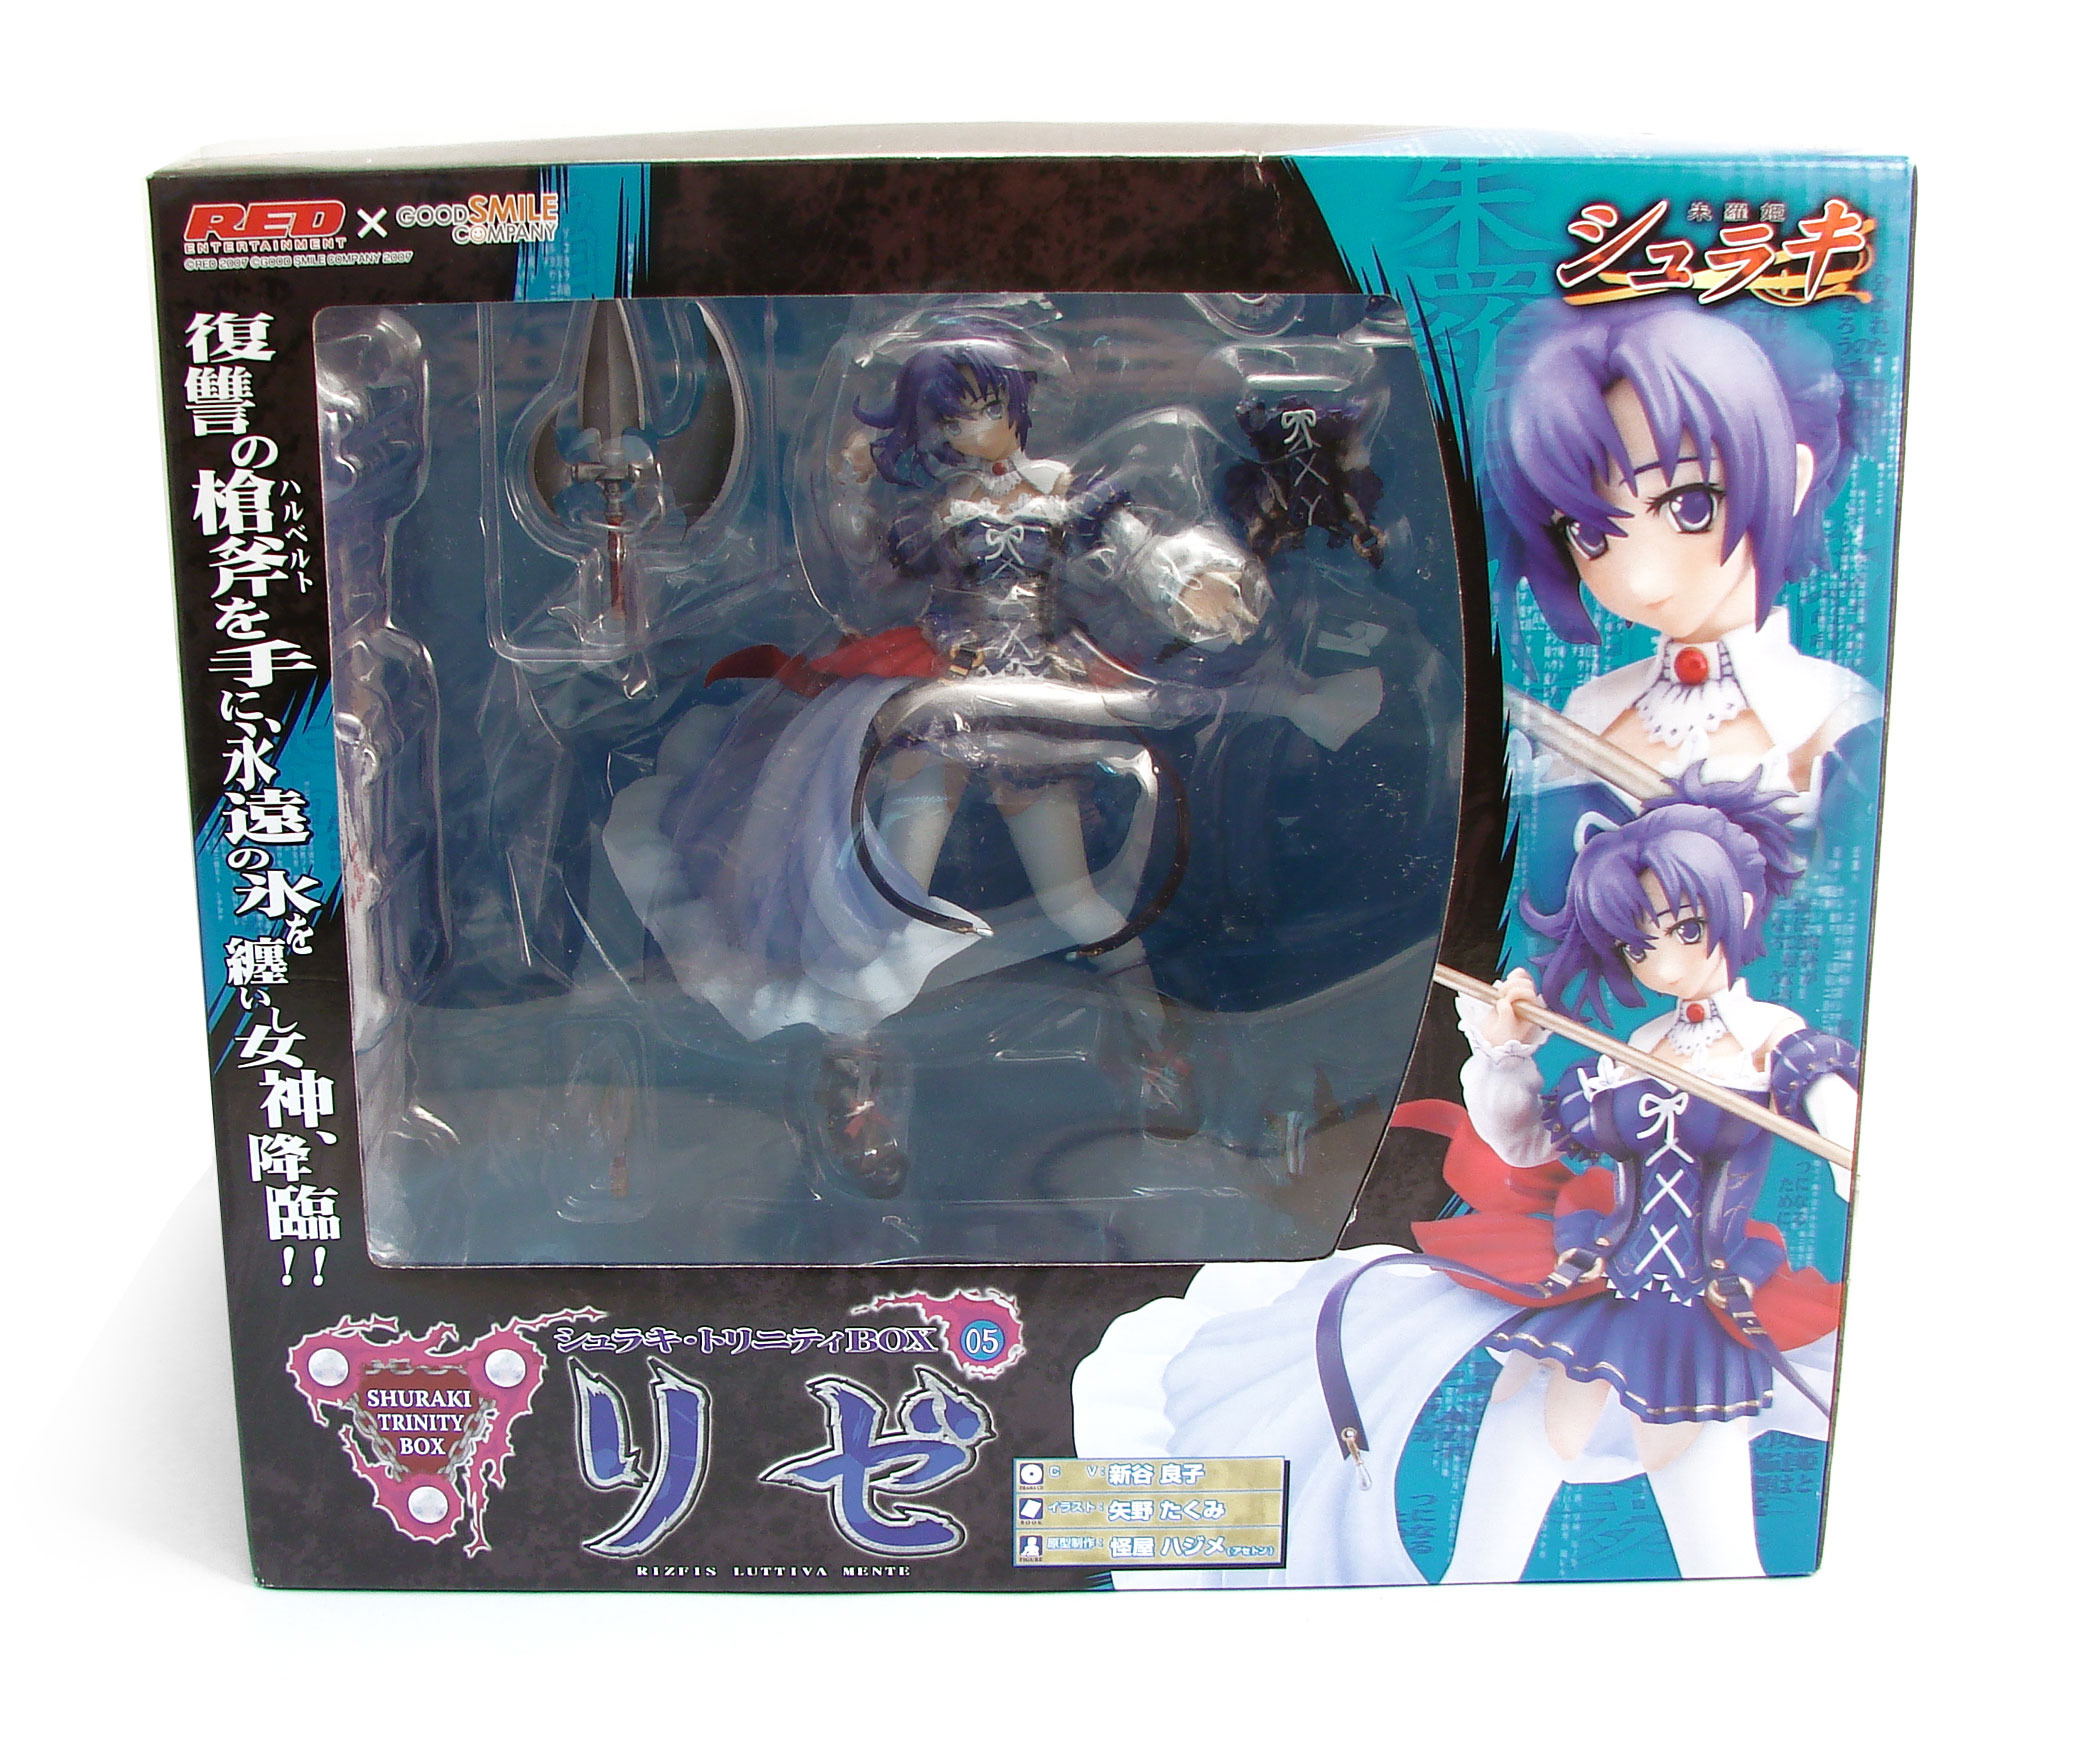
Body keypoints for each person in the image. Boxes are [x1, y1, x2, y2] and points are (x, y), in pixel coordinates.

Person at [604, 323, 1380, 1194]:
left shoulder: (1071, 496)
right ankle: (855, 1061)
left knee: (1074, 898)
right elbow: (868, 562)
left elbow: (1138, 550)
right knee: (887, 891)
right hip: (942, 700)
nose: (971, 432)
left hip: (1036, 701)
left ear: (1019, 406)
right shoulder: (943, 512)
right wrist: (849, 480)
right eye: (952, 420)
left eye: (983, 411)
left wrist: (1193, 583)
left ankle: (1153, 1037)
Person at [1072, 772, 1857, 1584]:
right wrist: (1504, 1052)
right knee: (1507, 1482)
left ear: (1738, 907)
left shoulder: (1774, 1040)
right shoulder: (1639, 1049)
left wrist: (1853, 1157)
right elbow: (1525, 1143)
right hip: (1600, 1288)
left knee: (1714, 1547)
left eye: (1685, 928)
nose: (1663, 958)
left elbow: (1842, 1127)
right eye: (1638, 944)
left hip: (1697, 1306)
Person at [1483, 301, 1879, 819]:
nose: (1640, 580)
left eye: (1691, 507)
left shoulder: (1834, 712)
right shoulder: (1590, 709)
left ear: (1791, 478)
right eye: (1588, 533)